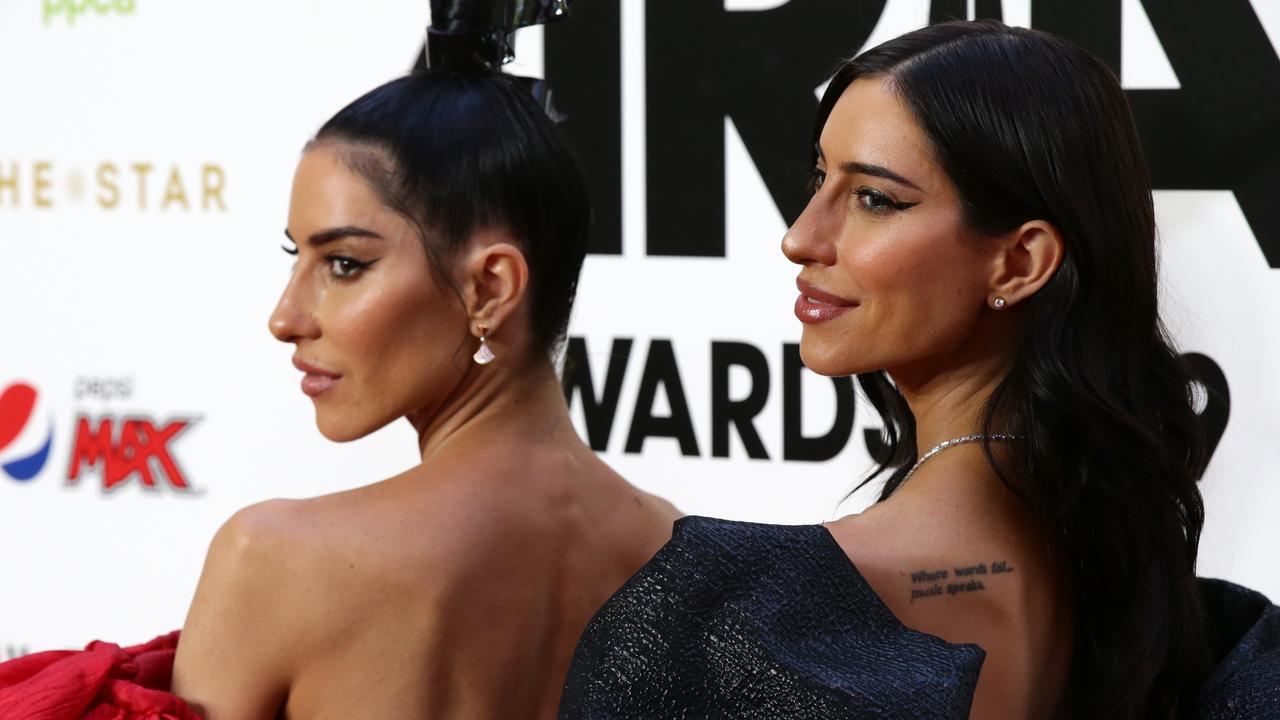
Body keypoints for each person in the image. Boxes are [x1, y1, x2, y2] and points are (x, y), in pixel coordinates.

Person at [558, 20, 1279, 720]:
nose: (800, 237)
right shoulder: (1185, 630)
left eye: (876, 199)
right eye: (819, 178)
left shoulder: (725, 625)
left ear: (1020, 262)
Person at [169, 5, 679, 719]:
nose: (286, 319)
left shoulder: (277, 560)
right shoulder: (679, 559)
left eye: (345, 263)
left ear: (489, 288)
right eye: (298, 256)